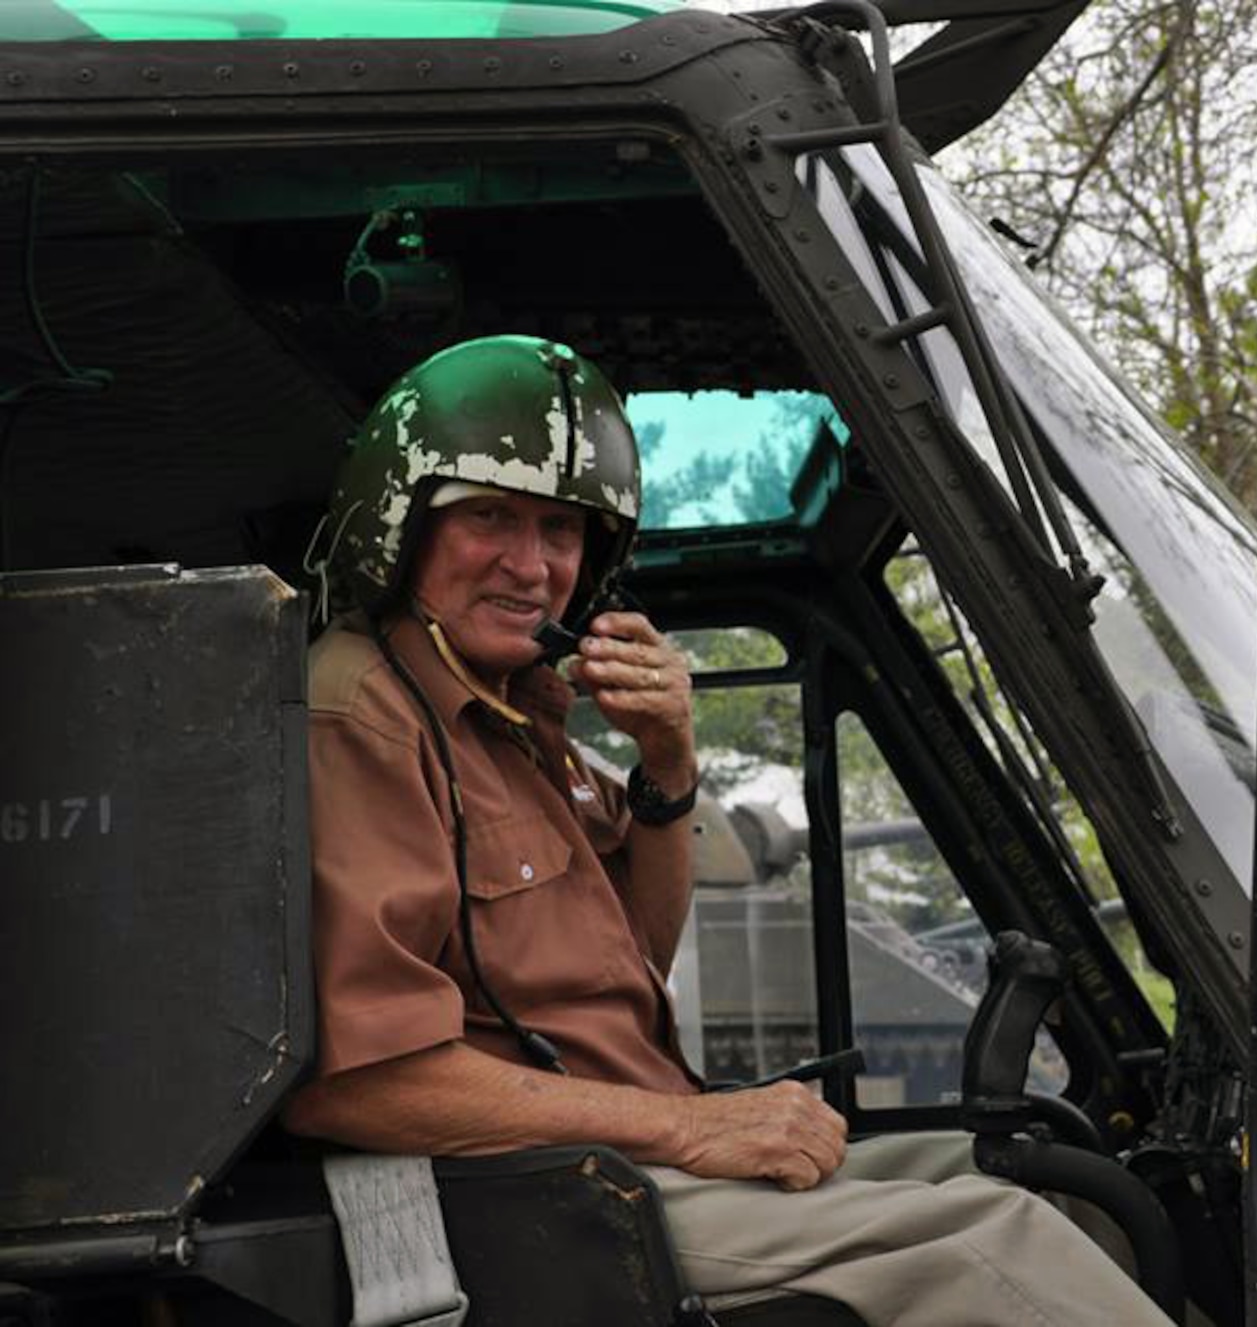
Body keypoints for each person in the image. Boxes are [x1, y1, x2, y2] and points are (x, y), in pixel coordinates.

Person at [282, 335, 1171, 1326]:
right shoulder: (361, 713)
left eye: (562, 530)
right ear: (401, 526)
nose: (532, 566)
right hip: (532, 1193)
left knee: (1066, 1184)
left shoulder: (518, 717)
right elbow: (352, 1085)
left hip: (623, 1152)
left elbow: (632, 961)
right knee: (995, 1244)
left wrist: (667, 758)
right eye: (489, 516)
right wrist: (689, 1126)